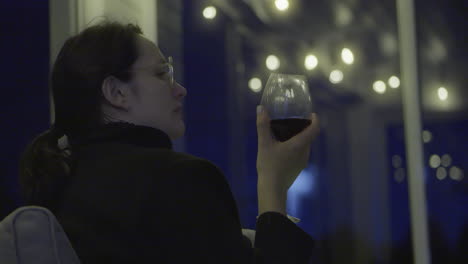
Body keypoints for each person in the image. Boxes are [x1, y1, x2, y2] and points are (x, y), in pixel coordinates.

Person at [19, 21, 320, 263]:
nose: (181, 90)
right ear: (116, 93)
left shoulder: (58, 181)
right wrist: (273, 185)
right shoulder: (181, 179)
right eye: (163, 73)